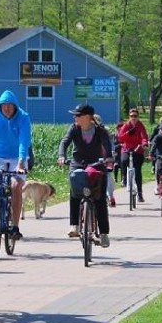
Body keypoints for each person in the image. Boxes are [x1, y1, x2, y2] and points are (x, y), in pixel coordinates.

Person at [57, 103, 113, 248]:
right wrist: (62, 156)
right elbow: (65, 142)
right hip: (78, 163)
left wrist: (109, 158)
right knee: (75, 191)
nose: (75, 118)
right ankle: (74, 225)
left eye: (78, 115)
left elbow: (107, 145)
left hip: (96, 164)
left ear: (88, 117)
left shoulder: (100, 131)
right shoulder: (74, 128)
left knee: (99, 198)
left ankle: (104, 234)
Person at [0, 89, 32, 240]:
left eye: (10, 106)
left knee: (16, 186)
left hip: (18, 156)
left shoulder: (23, 117)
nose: (7, 109)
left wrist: (21, 162)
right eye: (4, 106)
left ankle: (15, 226)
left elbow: (24, 142)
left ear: (15, 106)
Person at [116, 108, 149, 202]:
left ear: (138, 117)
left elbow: (144, 136)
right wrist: (128, 133)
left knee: (138, 171)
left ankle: (140, 194)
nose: (133, 118)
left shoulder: (140, 125)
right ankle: (124, 177)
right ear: (129, 117)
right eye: (131, 116)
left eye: (135, 116)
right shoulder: (126, 125)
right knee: (123, 160)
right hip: (127, 148)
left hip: (137, 149)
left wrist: (144, 143)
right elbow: (120, 138)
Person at [93, 114, 116, 207]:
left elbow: (110, 143)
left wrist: (112, 152)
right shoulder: (88, 132)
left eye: (97, 121)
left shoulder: (105, 131)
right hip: (93, 158)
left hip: (106, 157)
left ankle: (110, 196)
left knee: (109, 175)